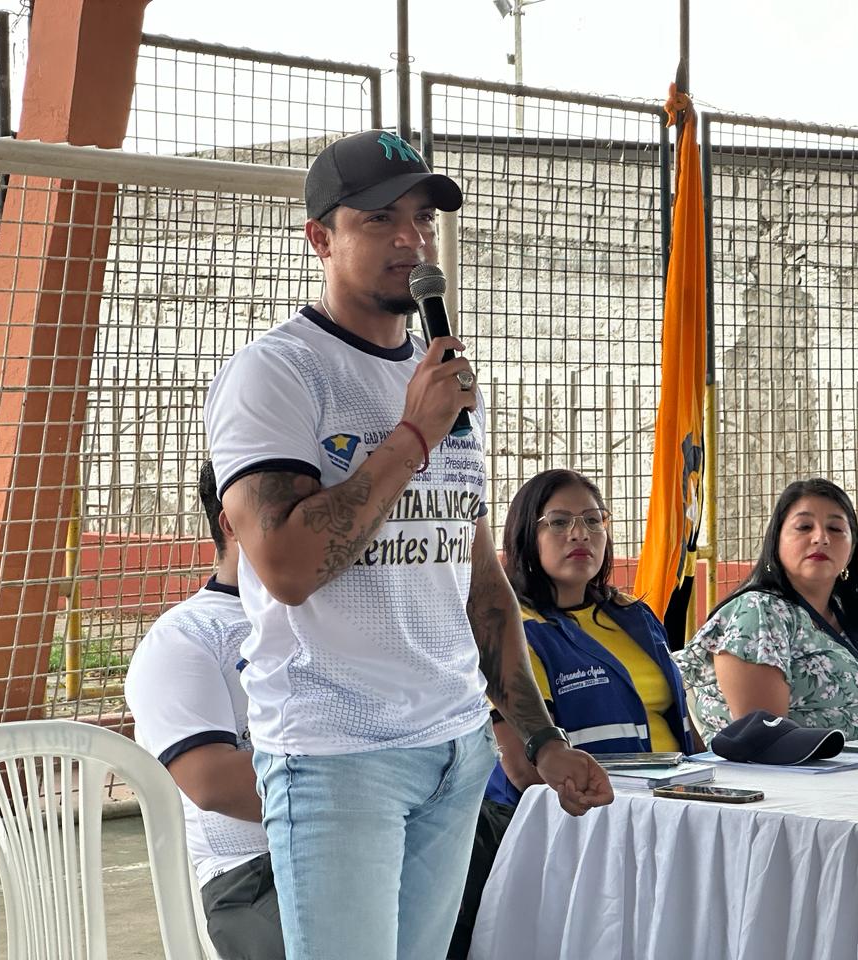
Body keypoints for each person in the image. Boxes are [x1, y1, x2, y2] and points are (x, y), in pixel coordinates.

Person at [204, 129, 613, 960]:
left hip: (454, 748)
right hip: (338, 756)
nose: (411, 239)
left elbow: (478, 580)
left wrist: (538, 737)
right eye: (379, 219)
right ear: (320, 238)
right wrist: (412, 436)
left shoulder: (442, 382)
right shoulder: (277, 373)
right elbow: (286, 567)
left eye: (422, 218)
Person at [125, 461, 281, 960]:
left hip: (370, 845)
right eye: (292, 506)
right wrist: (368, 780)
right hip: (254, 873)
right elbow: (213, 783)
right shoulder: (185, 638)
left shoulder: (337, 620)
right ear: (231, 522)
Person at [487, 468, 695, 804]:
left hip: (673, 804)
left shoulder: (634, 615)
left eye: (593, 520)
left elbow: (686, 730)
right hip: (587, 813)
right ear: (526, 535)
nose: (580, 534)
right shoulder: (514, 631)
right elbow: (524, 772)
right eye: (559, 522)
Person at [674, 478, 858, 743]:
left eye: (835, 528)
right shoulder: (758, 613)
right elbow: (767, 740)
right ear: (776, 542)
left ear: (852, 547)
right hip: (788, 768)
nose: (821, 538)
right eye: (804, 527)